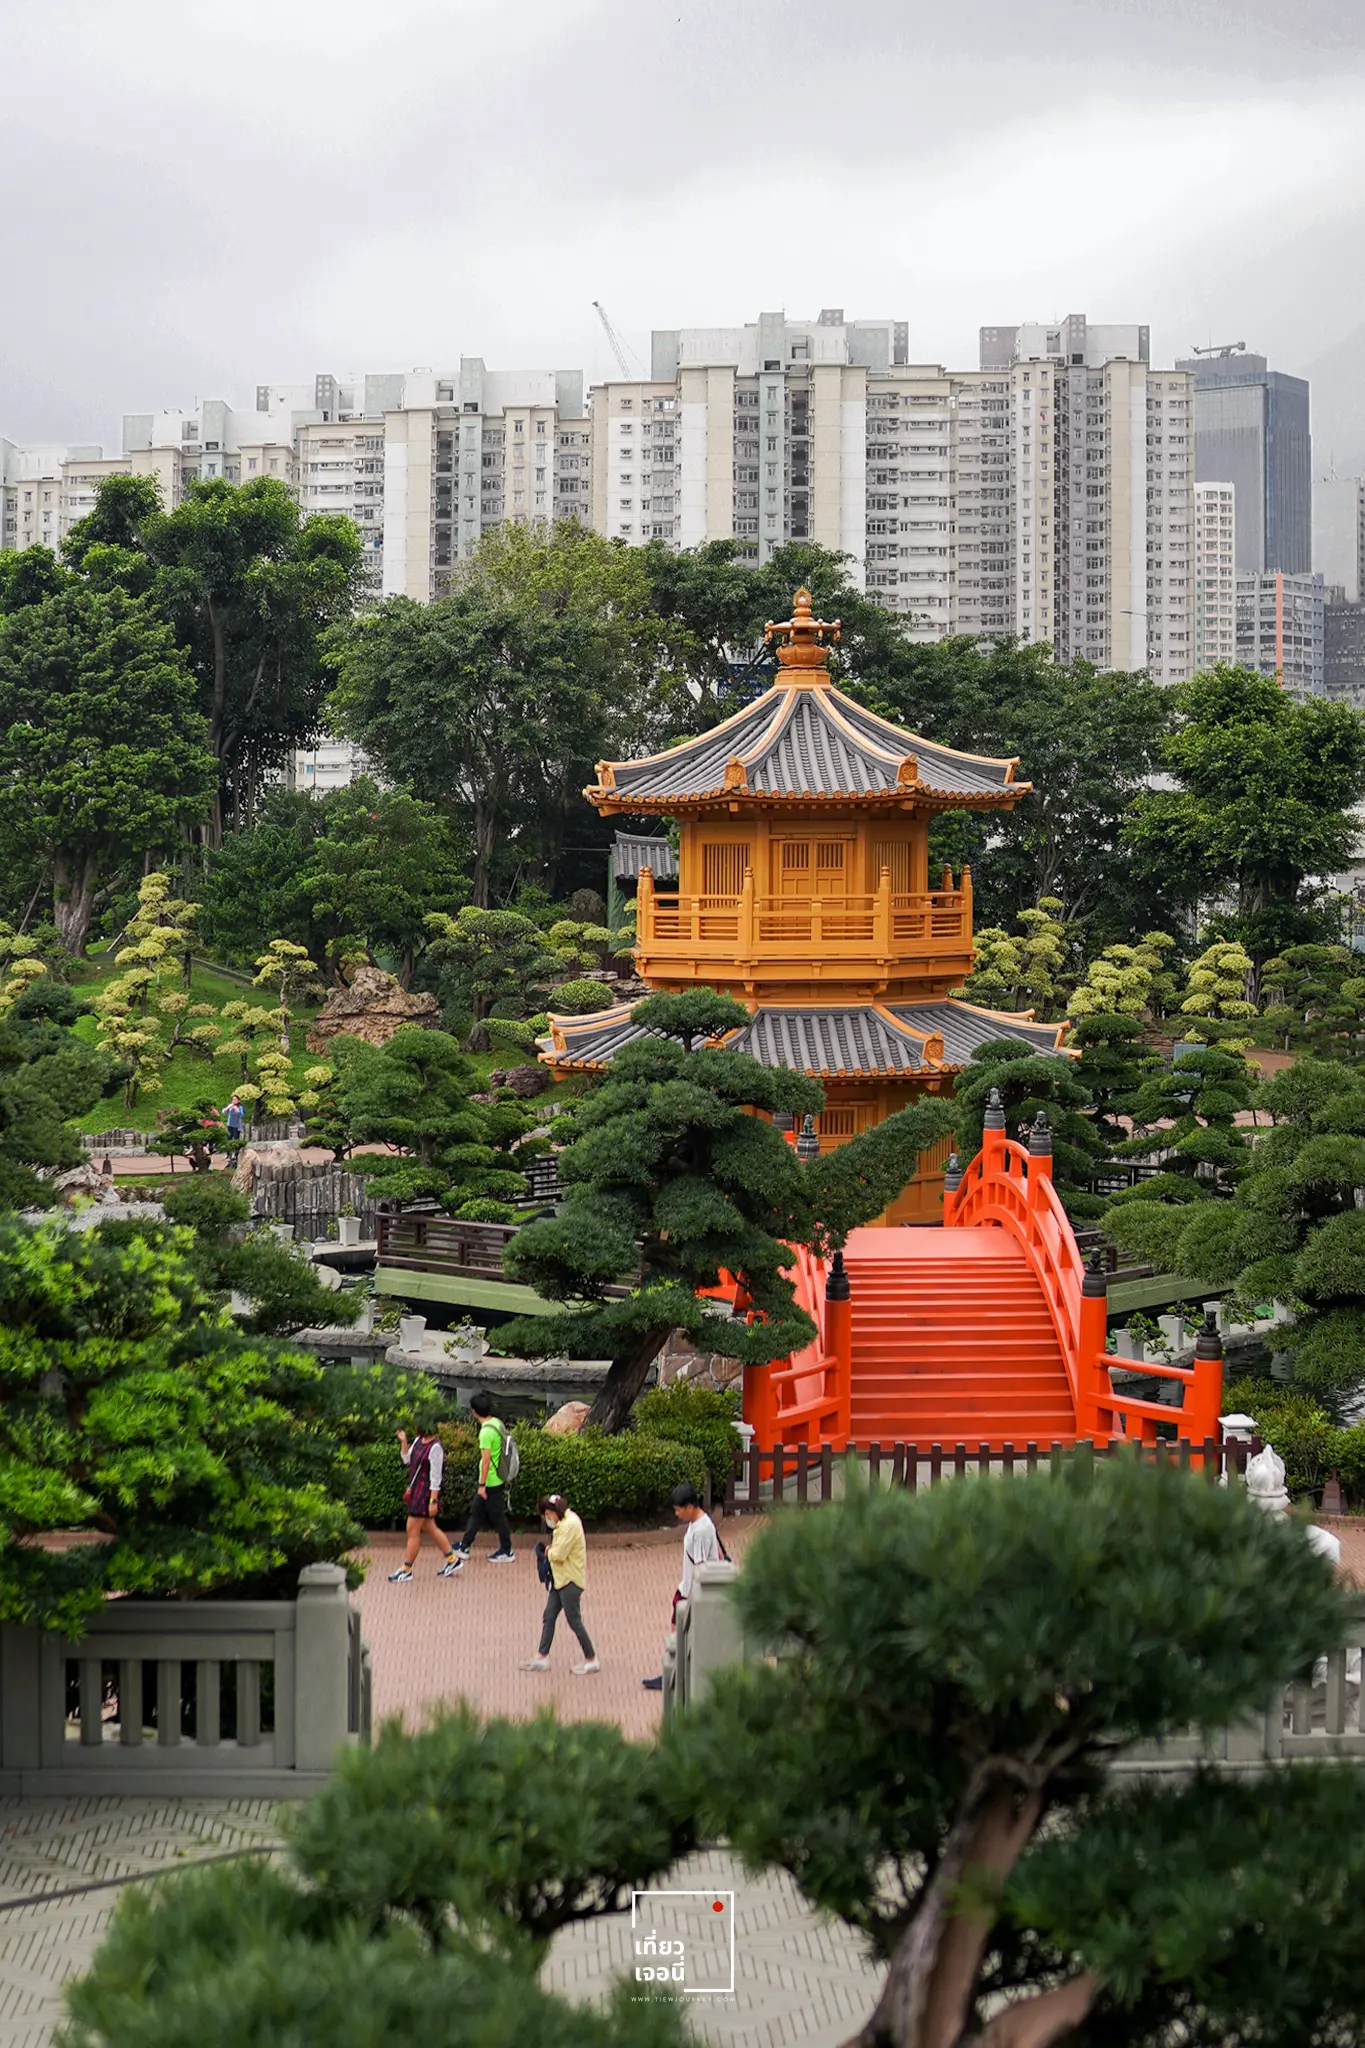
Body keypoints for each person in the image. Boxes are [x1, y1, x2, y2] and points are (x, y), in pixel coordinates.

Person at [641, 1481, 726, 1690]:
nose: (677, 1514)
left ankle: (675, 1674)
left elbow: (699, 1567)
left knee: (681, 1633)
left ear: (690, 1507)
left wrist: (692, 1598)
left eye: (679, 1510)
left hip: (691, 1592)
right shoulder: (703, 1523)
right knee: (678, 1631)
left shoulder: (699, 1531)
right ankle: (676, 1671)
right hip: (686, 1589)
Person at [519, 1493, 599, 1676]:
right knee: (549, 1615)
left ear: (553, 1512)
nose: (547, 1519)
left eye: (547, 1515)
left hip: (570, 1581)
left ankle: (591, 1658)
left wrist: (548, 1552)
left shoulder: (569, 1525)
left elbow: (559, 1554)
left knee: (574, 1620)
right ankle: (542, 1657)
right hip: (560, 1579)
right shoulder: (567, 1521)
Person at [388, 1427, 464, 1583]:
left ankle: (406, 1569)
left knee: (412, 1530)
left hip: (425, 1493)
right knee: (430, 1527)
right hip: (416, 1490)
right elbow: (406, 1460)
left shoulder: (435, 1447)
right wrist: (404, 1442)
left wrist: (433, 1501)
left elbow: (436, 1477)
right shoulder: (417, 1441)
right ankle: (452, 1559)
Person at [450, 1390, 515, 1563]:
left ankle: (507, 1550)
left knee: (497, 1516)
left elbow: (485, 1461)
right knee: (476, 1512)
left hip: (491, 1481)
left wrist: (482, 1484)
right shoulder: (496, 1423)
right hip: (496, 1478)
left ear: (474, 1412)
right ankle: (465, 1545)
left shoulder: (485, 1432)